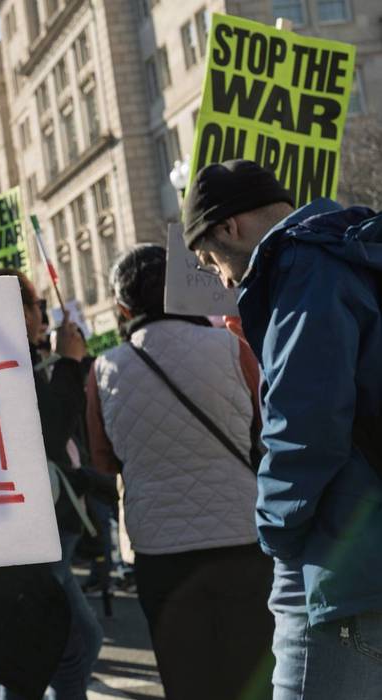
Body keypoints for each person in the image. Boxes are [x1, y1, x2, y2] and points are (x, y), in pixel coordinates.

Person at [184, 159, 382, 698]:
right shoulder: (350, 252)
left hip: (338, 561)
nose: (221, 278)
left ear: (230, 227)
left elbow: (304, 428)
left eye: (209, 260)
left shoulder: (303, 267)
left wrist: (275, 533)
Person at [84, 244, 273, 699]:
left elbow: (103, 461)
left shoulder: (103, 370)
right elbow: (265, 429)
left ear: (123, 306)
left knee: (188, 680)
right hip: (242, 539)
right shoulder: (232, 346)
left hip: (161, 550)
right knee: (255, 675)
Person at [0, 270, 103, 700]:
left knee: (39, 651)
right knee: (69, 648)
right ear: (16, 310)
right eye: (36, 305)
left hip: (24, 527)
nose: (42, 314)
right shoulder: (4, 362)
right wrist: (70, 363)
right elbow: (49, 433)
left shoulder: (4, 358)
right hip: (27, 528)